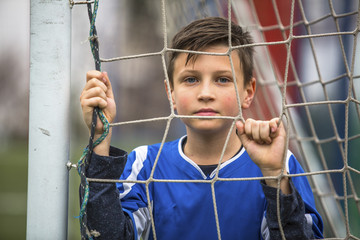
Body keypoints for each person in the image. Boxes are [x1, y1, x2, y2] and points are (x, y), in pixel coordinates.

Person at [80, 17, 323, 239]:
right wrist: (101, 139)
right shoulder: (144, 165)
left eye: (222, 79)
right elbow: (105, 235)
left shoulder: (281, 164)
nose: (205, 94)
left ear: (248, 92)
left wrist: (273, 175)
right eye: (191, 79)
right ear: (171, 93)